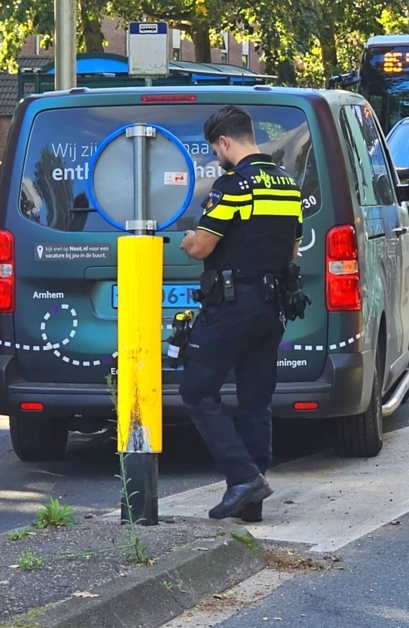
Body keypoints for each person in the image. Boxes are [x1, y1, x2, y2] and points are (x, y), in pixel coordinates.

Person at [179, 106, 302, 523]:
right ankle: (252, 505)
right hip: (272, 307)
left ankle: (243, 476)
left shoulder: (233, 185)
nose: (218, 156)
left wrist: (189, 240)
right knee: (255, 400)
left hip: (232, 305)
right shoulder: (287, 184)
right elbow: (292, 251)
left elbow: (203, 246)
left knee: (197, 390)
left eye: (216, 149)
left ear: (225, 142)